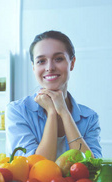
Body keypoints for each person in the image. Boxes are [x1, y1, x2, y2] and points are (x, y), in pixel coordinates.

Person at [6, 30, 102, 161]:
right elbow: (35, 168)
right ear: (33, 67)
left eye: (58, 59)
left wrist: (64, 112)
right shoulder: (18, 111)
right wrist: (52, 112)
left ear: (72, 63)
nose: (50, 67)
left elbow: (92, 167)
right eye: (41, 61)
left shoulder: (89, 118)